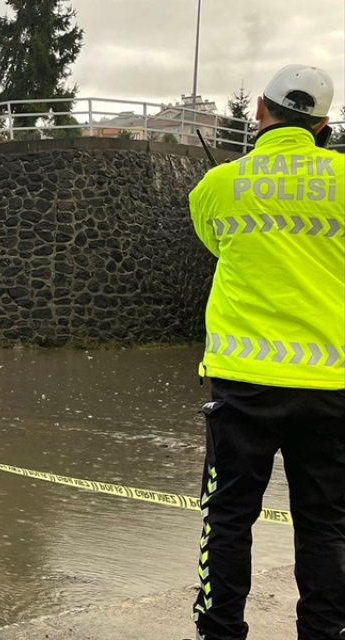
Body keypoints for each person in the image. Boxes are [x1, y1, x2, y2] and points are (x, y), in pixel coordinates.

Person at [187, 64, 343, 640]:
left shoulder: (218, 186)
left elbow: (215, 243)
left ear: (259, 110)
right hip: (331, 384)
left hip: (243, 382)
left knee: (228, 518)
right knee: (326, 523)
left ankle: (221, 631)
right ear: (323, 124)